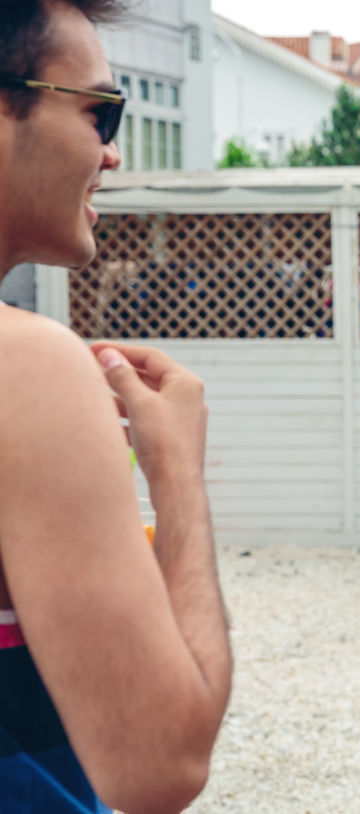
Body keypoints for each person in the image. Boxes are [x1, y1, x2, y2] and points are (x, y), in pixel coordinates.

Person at [0, 1, 232, 811]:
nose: (113, 151)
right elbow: (160, 765)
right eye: (100, 110)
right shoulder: (25, 367)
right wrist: (177, 474)